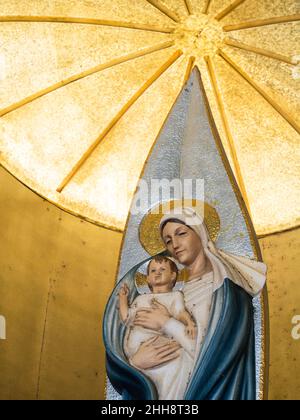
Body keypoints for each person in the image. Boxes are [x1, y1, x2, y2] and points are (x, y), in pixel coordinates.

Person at [104, 207, 267, 400]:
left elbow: (216, 356)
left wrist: (166, 323)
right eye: (168, 240)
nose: (175, 244)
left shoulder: (225, 290)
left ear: (200, 233)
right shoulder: (174, 290)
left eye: (181, 233)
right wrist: (135, 363)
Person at [118, 256, 196, 400]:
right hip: (137, 353)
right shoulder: (140, 299)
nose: (157, 273)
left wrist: (190, 322)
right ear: (147, 278)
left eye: (162, 269)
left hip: (160, 349)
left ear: (173, 276)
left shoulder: (175, 296)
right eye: (153, 270)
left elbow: (180, 313)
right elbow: (126, 317)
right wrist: (123, 300)